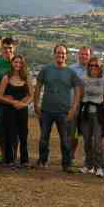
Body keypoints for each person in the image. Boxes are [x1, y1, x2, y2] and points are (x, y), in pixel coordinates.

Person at [34, 44, 82, 172]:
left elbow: (78, 91)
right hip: (46, 110)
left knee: (65, 140)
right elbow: (38, 87)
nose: (60, 55)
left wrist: (73, 109)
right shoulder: (46, 70)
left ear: (66, 56)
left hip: (64, 112)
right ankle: (43, 161)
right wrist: (36, 104)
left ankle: (66, 164)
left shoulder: (71, 73)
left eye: (63, 53)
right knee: (44, 138)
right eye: (58, 53)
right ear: (54, 54)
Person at [0, 55, 33, 168]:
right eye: (16, 62)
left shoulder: (26, 77)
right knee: (10, 134)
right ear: (12, 63)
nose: (18, 64)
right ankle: (9, 160)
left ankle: (24, 160)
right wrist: (13, 103)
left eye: (20, 63)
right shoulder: (6, 78)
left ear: (23, 64)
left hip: (22, 110)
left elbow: (31, 95)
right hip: (9, 110)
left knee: (23, 135)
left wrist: (24, 104)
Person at [78, 56, 104, 177]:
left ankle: (100, 167)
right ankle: (88, 165)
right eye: (90, 65)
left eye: (95, 65)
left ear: (100, 67)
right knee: (86, 141)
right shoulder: (83, 79)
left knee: (97, 142)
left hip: (98, 113)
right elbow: (80, 96)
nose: (92, 67)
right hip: (85, 112)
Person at [68, 47, 92, 161]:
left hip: (88, 107)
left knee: (88, 135)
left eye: (86, 55)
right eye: (82, 54)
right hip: (73, 105)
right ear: (78, 55)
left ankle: (88, 159)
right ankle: (70, 155)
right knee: (72, 134)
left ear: (90, 56)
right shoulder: (71, 69)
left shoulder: (94, 70)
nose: (84, 56)